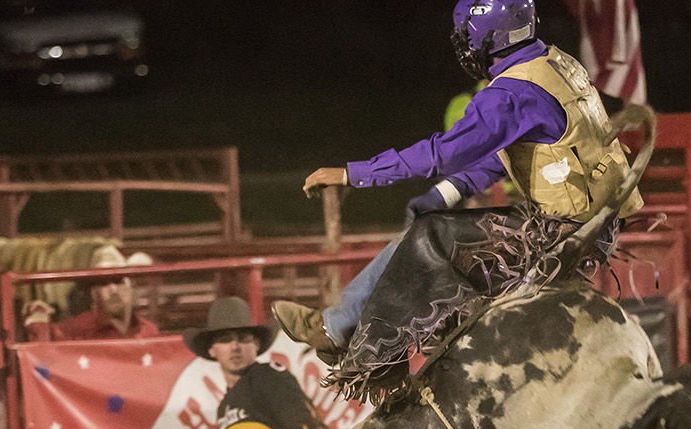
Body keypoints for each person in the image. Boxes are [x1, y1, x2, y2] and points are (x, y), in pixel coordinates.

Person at [272, 0, 643, 400]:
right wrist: (443, 193)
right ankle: (343, 326)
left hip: (560, 236)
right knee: (434, 225)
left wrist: (352, 174)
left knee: (428, 236)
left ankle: (368, 356)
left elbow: (441, 153)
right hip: (596, 227)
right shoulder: (555, 65)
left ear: (484, 36)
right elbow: (514, 157)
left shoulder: (508, 93)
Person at [183, 297, 332, 429]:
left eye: (243, 338)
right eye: (225, 339)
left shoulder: (267, 375)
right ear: (212, 349)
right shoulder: (224, 405)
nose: (235, 346)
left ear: (256, 344)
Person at [22, 244, 158, 341]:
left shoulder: (148, 331)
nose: (113, 289)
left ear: (130, 287)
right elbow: (45, 349)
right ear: (94, 293)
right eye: (104, 283)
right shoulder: (75, 331)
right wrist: (39, 325)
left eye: (118, 281)